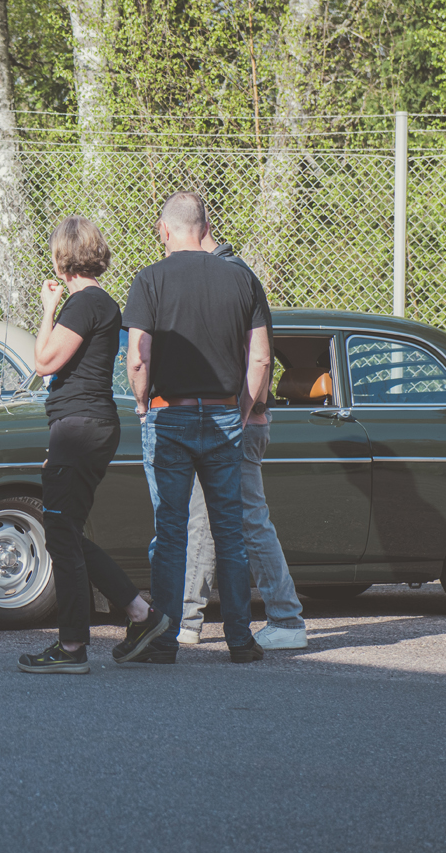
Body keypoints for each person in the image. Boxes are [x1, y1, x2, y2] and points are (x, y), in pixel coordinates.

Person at [122, 191, 272, 665]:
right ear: (205, 227)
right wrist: (241, 410)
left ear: (164, 230)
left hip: (169, 415)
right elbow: (261, 358)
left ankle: (164, 639)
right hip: (225, 414)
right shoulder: (242, 278)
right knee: (229, 530)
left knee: (171, 531)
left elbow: (138, 357)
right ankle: (240, 639)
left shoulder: (150, 279)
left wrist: (143, 404)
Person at [19, 218, 169, 674]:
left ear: (61, 257)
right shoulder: (99, 303)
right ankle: (142, 615)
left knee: (60, 533)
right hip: (84, 426)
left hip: (80, 426)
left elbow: (44, 361)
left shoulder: (85, 303)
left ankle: (71, 647)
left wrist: (48, 308)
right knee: (67, 530)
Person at [177, 224, 306, 650]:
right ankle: (188, 620)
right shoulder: (237, 274)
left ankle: (286, 618)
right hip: (237, 418)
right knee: (205, 519)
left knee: (248, 518)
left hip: (237, 419)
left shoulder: (232, 276)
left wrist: (240, 414)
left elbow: (261, 358)